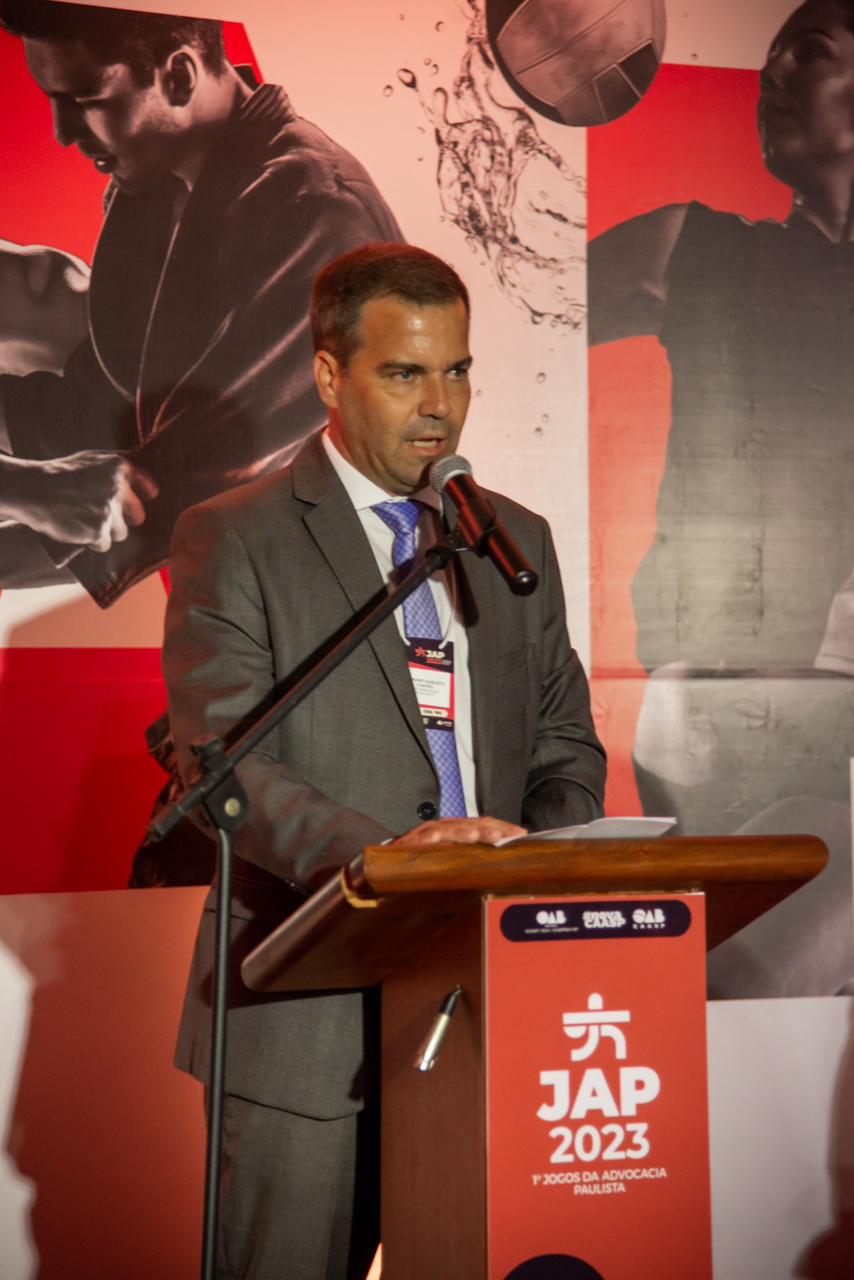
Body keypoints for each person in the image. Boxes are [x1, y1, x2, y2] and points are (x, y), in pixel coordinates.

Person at [163, 242, 606, 1278]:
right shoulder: (235, 537)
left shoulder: (512, 539)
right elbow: (225, 764)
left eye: (456, 371)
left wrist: (527, 862)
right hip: (303, 1018)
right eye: (404, 373)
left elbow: (563, 744)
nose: (439, 406)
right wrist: (399, 863)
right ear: (330, 375)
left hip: (483, 1003)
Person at [588, 0, 854, 995]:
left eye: (809, 53)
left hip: (818, 714)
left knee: (748, 995)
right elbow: (491, 322)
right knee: (724, 999)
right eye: (769, 56)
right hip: (713, 717)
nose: (771, 74)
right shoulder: (695, 248)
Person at [0, 1, 401, 604]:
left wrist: (29, 499)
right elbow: (106, 402)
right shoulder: (156, 185)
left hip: (322, 604)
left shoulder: (317, 214)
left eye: (83, 99)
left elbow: (176, 489)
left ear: (180, 77)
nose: (62, 132)